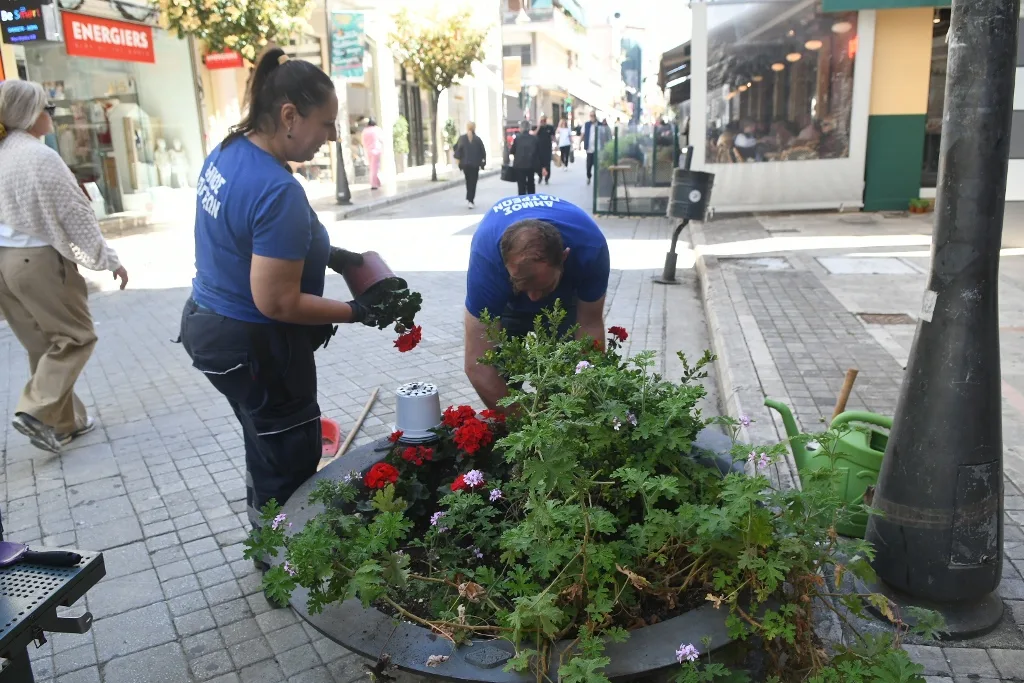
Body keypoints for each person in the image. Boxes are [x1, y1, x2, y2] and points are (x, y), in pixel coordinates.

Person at [178, 48, 388, 533]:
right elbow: (277, 301)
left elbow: (250, 237)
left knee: (265, 444)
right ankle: (282, 558)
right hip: (256, 347)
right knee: (289, 459)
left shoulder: (231, 151)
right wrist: (357, 311)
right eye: (326, 124)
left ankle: (267, 539)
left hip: (209, 326)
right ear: (290, 116)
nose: (331, 137)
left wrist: (333, 255)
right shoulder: (277, 190)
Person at [0, 80, 129, 453]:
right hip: (37, 261)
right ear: (29, 114)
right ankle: (35, 412)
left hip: (5, 263)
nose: (52, 115)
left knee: (43, 345)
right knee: (76, 337)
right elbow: (75, 213)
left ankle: (64, 423)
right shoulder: (38, 156)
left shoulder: (4, 152)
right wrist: (108, 259)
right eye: (48, 108)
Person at [464, 195, 609, 411]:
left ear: (564, 257)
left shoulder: (590, 248)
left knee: (567, 374)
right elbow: (477, 365)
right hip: (507, 303)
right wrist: (525, 420)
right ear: (504, 265)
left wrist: (575, 406)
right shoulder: (487, 261)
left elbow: (590, 326)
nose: (533, 297)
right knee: (501, 373)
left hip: (563, 302)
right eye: (521, 284)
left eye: (543, 286)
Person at [453, 121, 486, 209]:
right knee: (473, 182)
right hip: (475, 165)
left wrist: (459, 161)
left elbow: (456, 149)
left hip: (465, 164)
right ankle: (471, 200)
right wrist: (483, 163)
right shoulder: (477, 139)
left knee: (468, 181)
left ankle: (469, 198)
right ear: (474, 128)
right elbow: (483, 152)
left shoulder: (462, 138)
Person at [509, 120, 543, 195]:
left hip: (519, 165)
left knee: (521, 185)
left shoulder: (517, 138)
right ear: (529, 128)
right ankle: (531, 198)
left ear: (521, 128)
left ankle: (522, 199)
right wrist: (541, 166)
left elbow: (512, 151)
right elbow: (539, 153)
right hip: (531, 165)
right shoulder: (534, 138)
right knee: (531, 183)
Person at [361, 117, 383, 189]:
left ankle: (377, 182)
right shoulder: (377, 129)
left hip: (368, 151)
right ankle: (374, 184)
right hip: (376, 150)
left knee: (372, 166)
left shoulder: (365, 131)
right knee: (375, 167)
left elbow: (363, 142)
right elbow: (381, 139)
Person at [534, 115, 555, 185]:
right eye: (542, 121)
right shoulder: (537, 127)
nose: (543, 122)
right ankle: (540, 176)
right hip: (539, 149)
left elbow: (553, 137)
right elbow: (534, 134)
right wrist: (539, 126)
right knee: (539, 164)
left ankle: (547, 178)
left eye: (544, 120)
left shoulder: (550, 127)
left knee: (547, 164)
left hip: (547, 149)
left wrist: (556, 145)